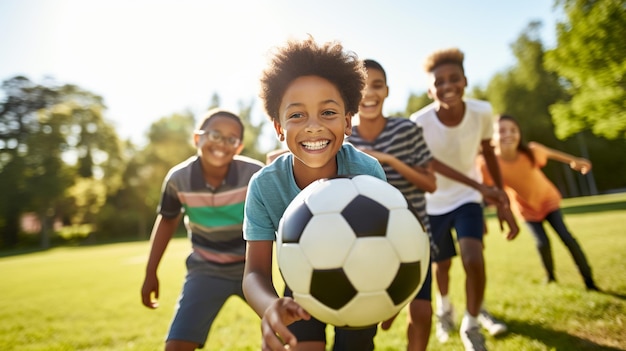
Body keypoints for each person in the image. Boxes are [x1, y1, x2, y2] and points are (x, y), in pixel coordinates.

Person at [241, 36, 387, 351]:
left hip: (363, 285)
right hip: (301, 289)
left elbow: (390, 245)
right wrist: (269, 306)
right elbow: (254, 272)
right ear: (279, 128)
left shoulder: (369, 173)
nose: (312, 126)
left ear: (348, 121)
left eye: (328, 113)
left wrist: (392, 287)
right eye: (296, 115)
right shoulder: (265, 186)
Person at [409, 47, 519, 351]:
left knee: (473, 258)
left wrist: (500, 197)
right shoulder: (418, 122)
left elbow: (488, 152)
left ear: (465, 81)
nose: (447, 86)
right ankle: (445, 310)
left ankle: (471, 325)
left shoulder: (482, 112)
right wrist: (482, 187)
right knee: (441, 266)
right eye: (439, 82)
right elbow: (429, 164)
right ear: (431, 91)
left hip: (468, 199)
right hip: (432, 201)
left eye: (453, 79)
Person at [140, 108, 264, 351]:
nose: (222, 144)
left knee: (289, 334)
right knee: (175, 346)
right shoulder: (178, 179)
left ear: (238, 147)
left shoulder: (255, 174)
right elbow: (166, 222)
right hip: (206, 270)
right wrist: (150, 272)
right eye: (215, 135)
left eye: (231, 139)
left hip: (253, 270)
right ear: (198, 138)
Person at [345, 59, 437, 351]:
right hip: (367, 243)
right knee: (368, 321)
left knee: (422, 314)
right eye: (362, 87)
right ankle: (388, 309)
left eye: (377, 85)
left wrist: (389, 160)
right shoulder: (343, 136)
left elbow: (430, 183)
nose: (369, 93)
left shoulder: (406, 130)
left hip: (414, 237)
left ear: (387, 91)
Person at [482, 114, 599, 291]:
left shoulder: (531, 151)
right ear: (492, 137)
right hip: (525, 208)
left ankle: (589, 281)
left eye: (513, 130)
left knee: (566, 237)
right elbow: (484, 187)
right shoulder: (489, 164)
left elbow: (554, 154)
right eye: (502, 130)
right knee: (542, 242)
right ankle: (550, 277)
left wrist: (576, 161)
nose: (509, 134)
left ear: (519, 134)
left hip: (547, 199)